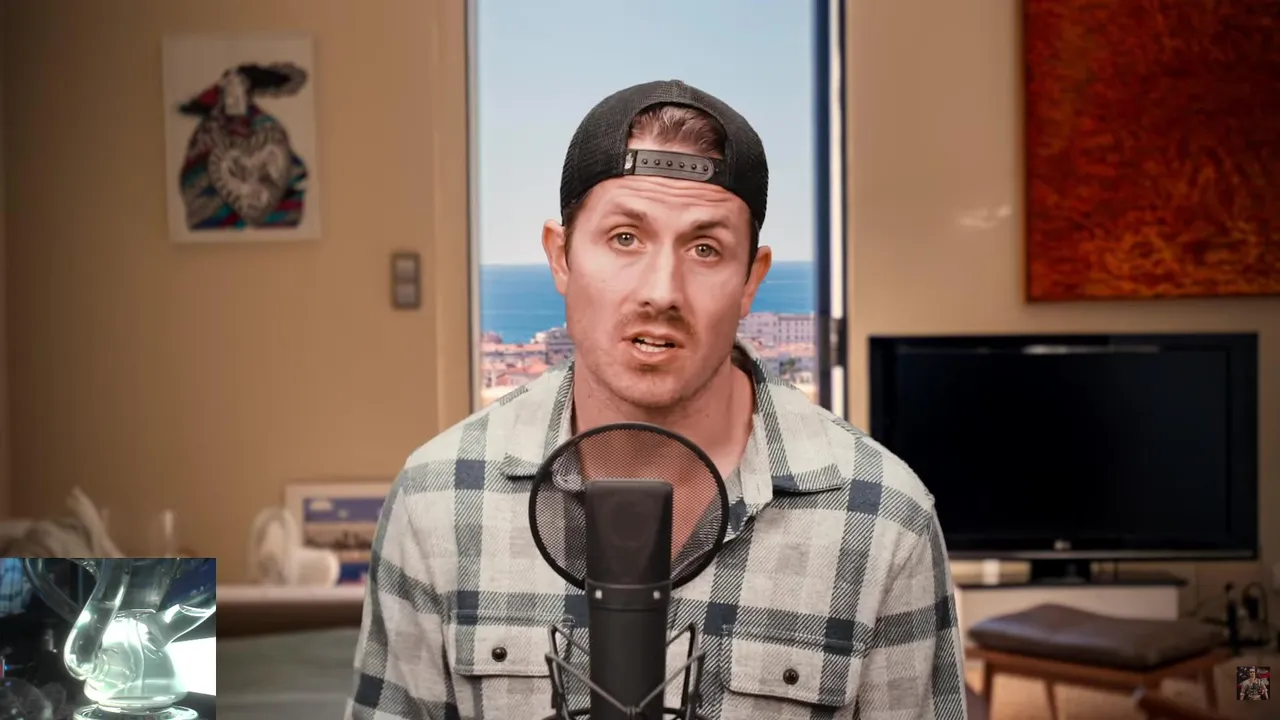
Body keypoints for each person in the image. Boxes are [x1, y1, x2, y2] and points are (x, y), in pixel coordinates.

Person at [346, 79, 967, 720]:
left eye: (705, 249)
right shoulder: (438, 499)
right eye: (625, 238)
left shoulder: (884, 518)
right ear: (561, 257)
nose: (662, 291)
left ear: (750, 281)